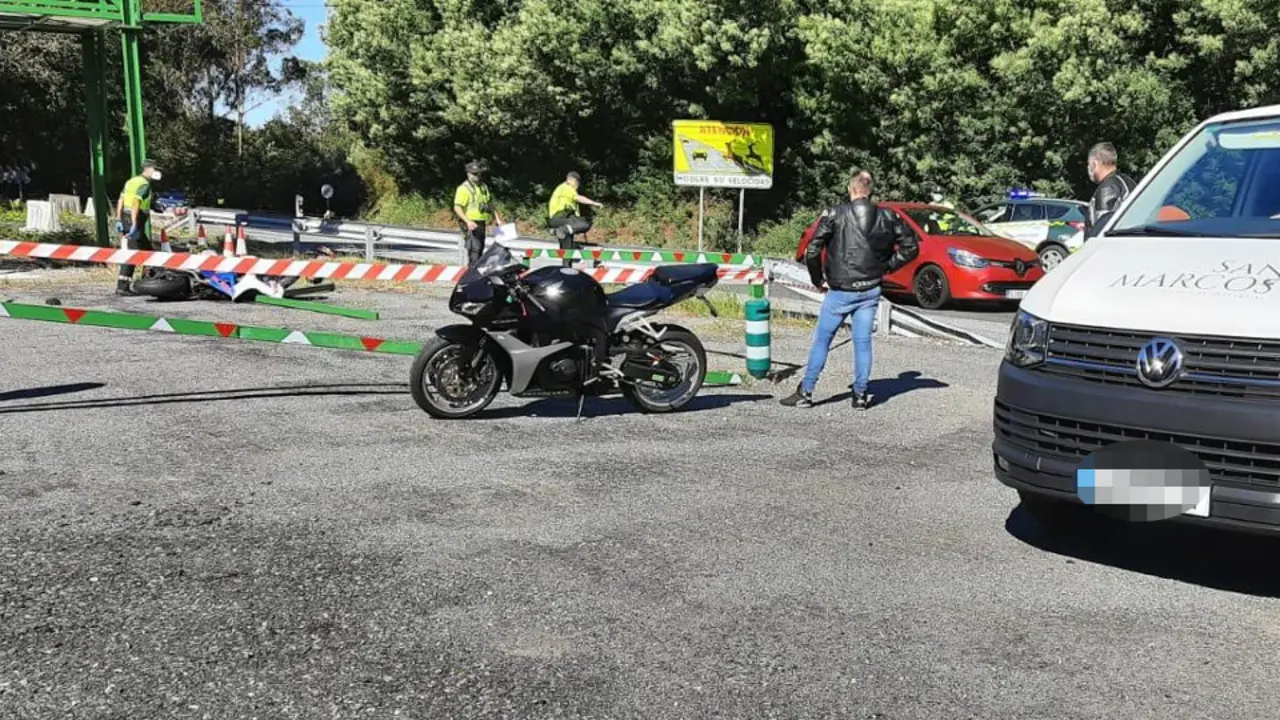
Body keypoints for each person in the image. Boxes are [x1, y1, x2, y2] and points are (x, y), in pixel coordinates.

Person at [782, 169, 920, 410]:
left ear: (851, 189)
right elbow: (911, 247)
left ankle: (806, 391)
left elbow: (813, 249)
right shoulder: (887, 216)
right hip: (870, 288)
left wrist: (817, 278)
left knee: (823, 340)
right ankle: (860, 395)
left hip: (840, 290)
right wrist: (886, 267)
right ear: (869, 191)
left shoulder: (835, 214)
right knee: (862, 342)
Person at [112, 159, 162, 296]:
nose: (158, 172)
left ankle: (149, 279)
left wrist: (118, 218)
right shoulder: (144, 184)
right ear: (149, 169)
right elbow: (136, 202)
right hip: (135, 219)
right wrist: (134, 223)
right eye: (156, 169)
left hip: (126, 217)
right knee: (133, 253)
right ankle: (122, 287)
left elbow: (121, 199)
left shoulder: (131, 181)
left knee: (147, 251)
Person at [547, 172, 604, 267]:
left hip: (555, 220)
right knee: (586, 224)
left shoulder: (560, 188)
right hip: (562, 217)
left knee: (566, 246)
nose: (577, 187)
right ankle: (562, 230)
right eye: (577, 183)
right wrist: (594, 203)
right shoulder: (567, 187)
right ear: (573, 180)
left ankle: (566, 267)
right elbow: (578, 198)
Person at [453, 160, 504, 266]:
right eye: (475, 174)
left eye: (479, 174)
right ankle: (471, 274)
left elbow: (490, 203)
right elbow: (457, 207)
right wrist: (467, 221)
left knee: (480, 248)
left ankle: (476, 273)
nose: (477, 176)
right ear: (468, 174)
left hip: (481, 222)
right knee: (474, 250)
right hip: (470, 223)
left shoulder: (483, 187)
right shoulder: (463, 189)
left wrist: (497, 218)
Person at [1085, 142, 1136, 238]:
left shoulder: (1108, 188)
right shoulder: (1127, 181)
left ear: (1094, 164)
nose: (1088, 168)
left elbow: (1103, 228)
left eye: (1089, 164)